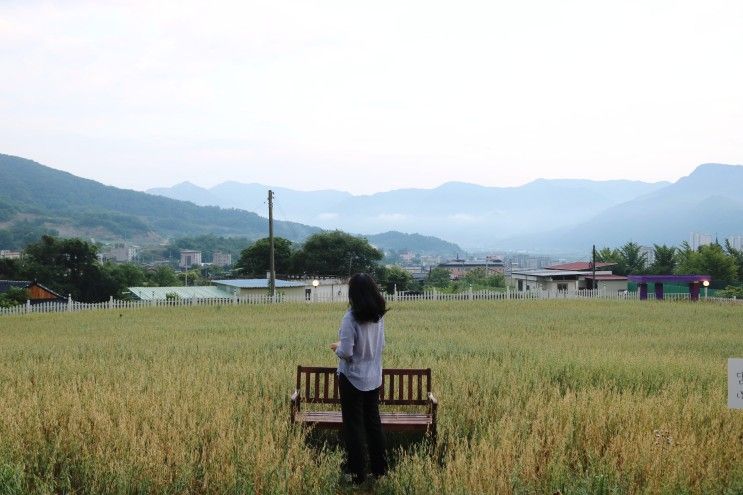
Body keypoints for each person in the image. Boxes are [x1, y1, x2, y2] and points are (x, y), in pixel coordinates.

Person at [330, 273, 388, 484]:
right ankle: (380, 471)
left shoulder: (350, 318)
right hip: (373, 377)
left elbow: (346, 352)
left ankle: (357, 475)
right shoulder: (379, 316)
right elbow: (382, 345)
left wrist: (336, 348)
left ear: (353, 293)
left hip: (352, 378)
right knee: (373, 424)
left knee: (353, 426)